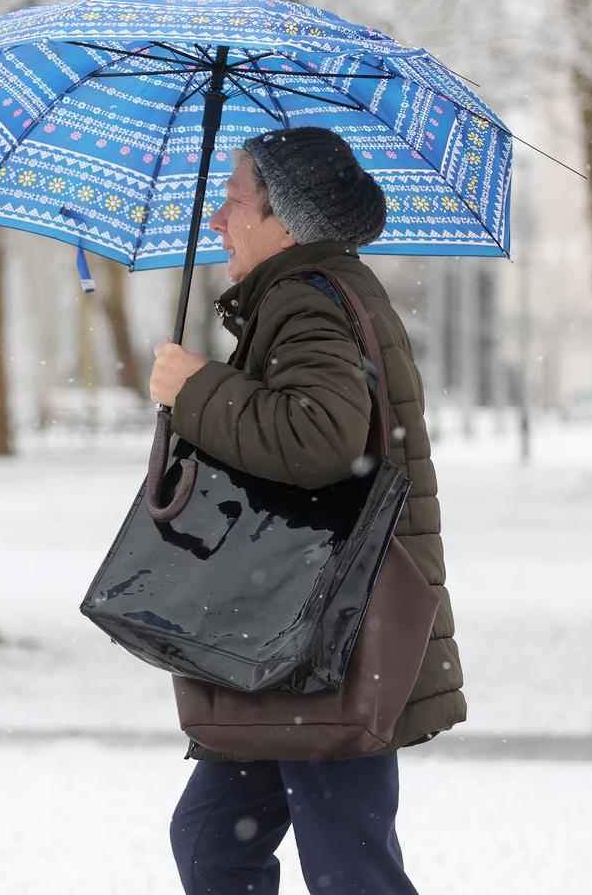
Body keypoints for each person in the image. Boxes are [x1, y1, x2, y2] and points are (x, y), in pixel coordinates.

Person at [147, 126, 465, 895]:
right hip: (295, 637)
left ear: (284, 220)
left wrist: (193, 390)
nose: (218, 221)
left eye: (232, 203)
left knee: (346, 868)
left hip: (324, 638)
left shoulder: (304, 298)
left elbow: (316, 438)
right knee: (215, 841)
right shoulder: (316, 292)